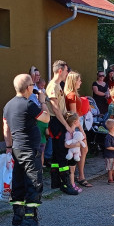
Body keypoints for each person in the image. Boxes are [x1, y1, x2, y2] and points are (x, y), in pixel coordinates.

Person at [3, 73, 50, 226]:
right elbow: (46, 118)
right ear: (28, 87)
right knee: (33, 182)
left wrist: (9, 146)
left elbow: (6, 128)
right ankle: (30, 218)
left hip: (17, 148)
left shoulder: (8, 105)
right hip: (30, 149)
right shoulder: (29, 104)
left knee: (18, 181)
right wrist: (42, 101)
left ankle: (18, 215)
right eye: (32, 85)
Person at [46, 60, 78, 195]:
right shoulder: (53, 86)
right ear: (60, 71)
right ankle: (65, 184)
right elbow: (55, 109)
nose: (67, 73)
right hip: (56, 122)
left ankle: (55, 181)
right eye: (65, 71)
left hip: (58, 121)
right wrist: (66, 125)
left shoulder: (58, 85)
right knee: (62, 153)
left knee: (56, 153)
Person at [64, 71, 92, 187]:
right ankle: (80, 176)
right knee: (82, 150)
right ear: (74, 81)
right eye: (79, 80)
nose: (81, 82)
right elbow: (74, 115)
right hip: (75, 126)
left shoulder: (71, 94)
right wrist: (81, 130)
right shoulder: (72, 95)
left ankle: (77, 175)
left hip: (75, 125)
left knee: (81, 150)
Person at [64, 112, 84, 192]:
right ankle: (72, 185)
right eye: (79, 120)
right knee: (71, 171)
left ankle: (72, 184)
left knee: (73, 170)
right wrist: (77, 144)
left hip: (75, 154)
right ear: (75, 122)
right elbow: (66, 145)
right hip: (71, 154)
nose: (79, 122)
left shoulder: (75, 132)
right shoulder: (69, 133)